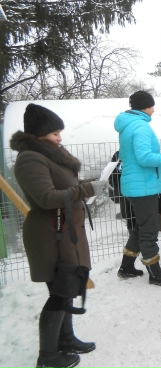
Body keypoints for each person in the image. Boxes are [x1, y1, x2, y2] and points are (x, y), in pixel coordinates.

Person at [10, 104, 106, 368]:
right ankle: (48, 356)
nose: (60, 138)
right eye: (55, 133)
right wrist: (86, 189)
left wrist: (85, 185)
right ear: (39, 134)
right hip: (50, 236)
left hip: (64, 231)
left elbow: (63, 186)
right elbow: (46, 198)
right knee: (60, 293)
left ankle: (66, 339)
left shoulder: (49, 155)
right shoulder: (30, 159)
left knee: (67, 287)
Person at [114, 91, 161, 286]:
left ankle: (126, 267)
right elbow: (145, 158)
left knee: (142, 226)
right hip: (142, 186)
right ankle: (155, 273)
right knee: (149, 230)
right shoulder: (140, 127)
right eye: (152, 106)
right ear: (145, 106)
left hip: (136, 184)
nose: (153, 110)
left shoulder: (128, 125)